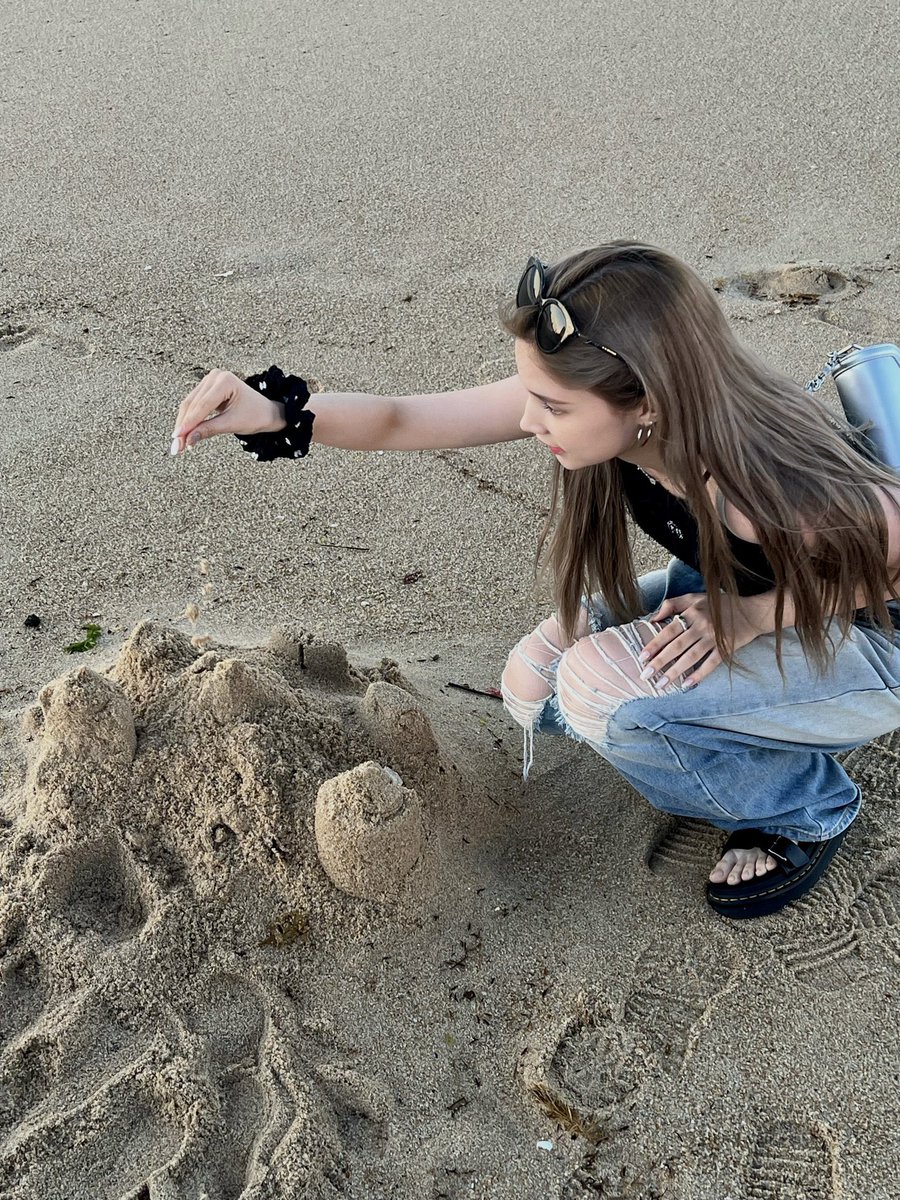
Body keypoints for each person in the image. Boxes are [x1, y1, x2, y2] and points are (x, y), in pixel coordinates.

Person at [170, 240, 900, 919]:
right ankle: (753, 724)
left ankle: (800, 808)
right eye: (530, 392)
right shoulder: (609, 399)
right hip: (732, 587)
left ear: (648, 402)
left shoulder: (750, 482)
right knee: (536, 685)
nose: (528, 418)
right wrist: (272, 412)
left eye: (551, 407)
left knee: (597, 691)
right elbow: (401, 419)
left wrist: (752, 619)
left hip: (866, 636)